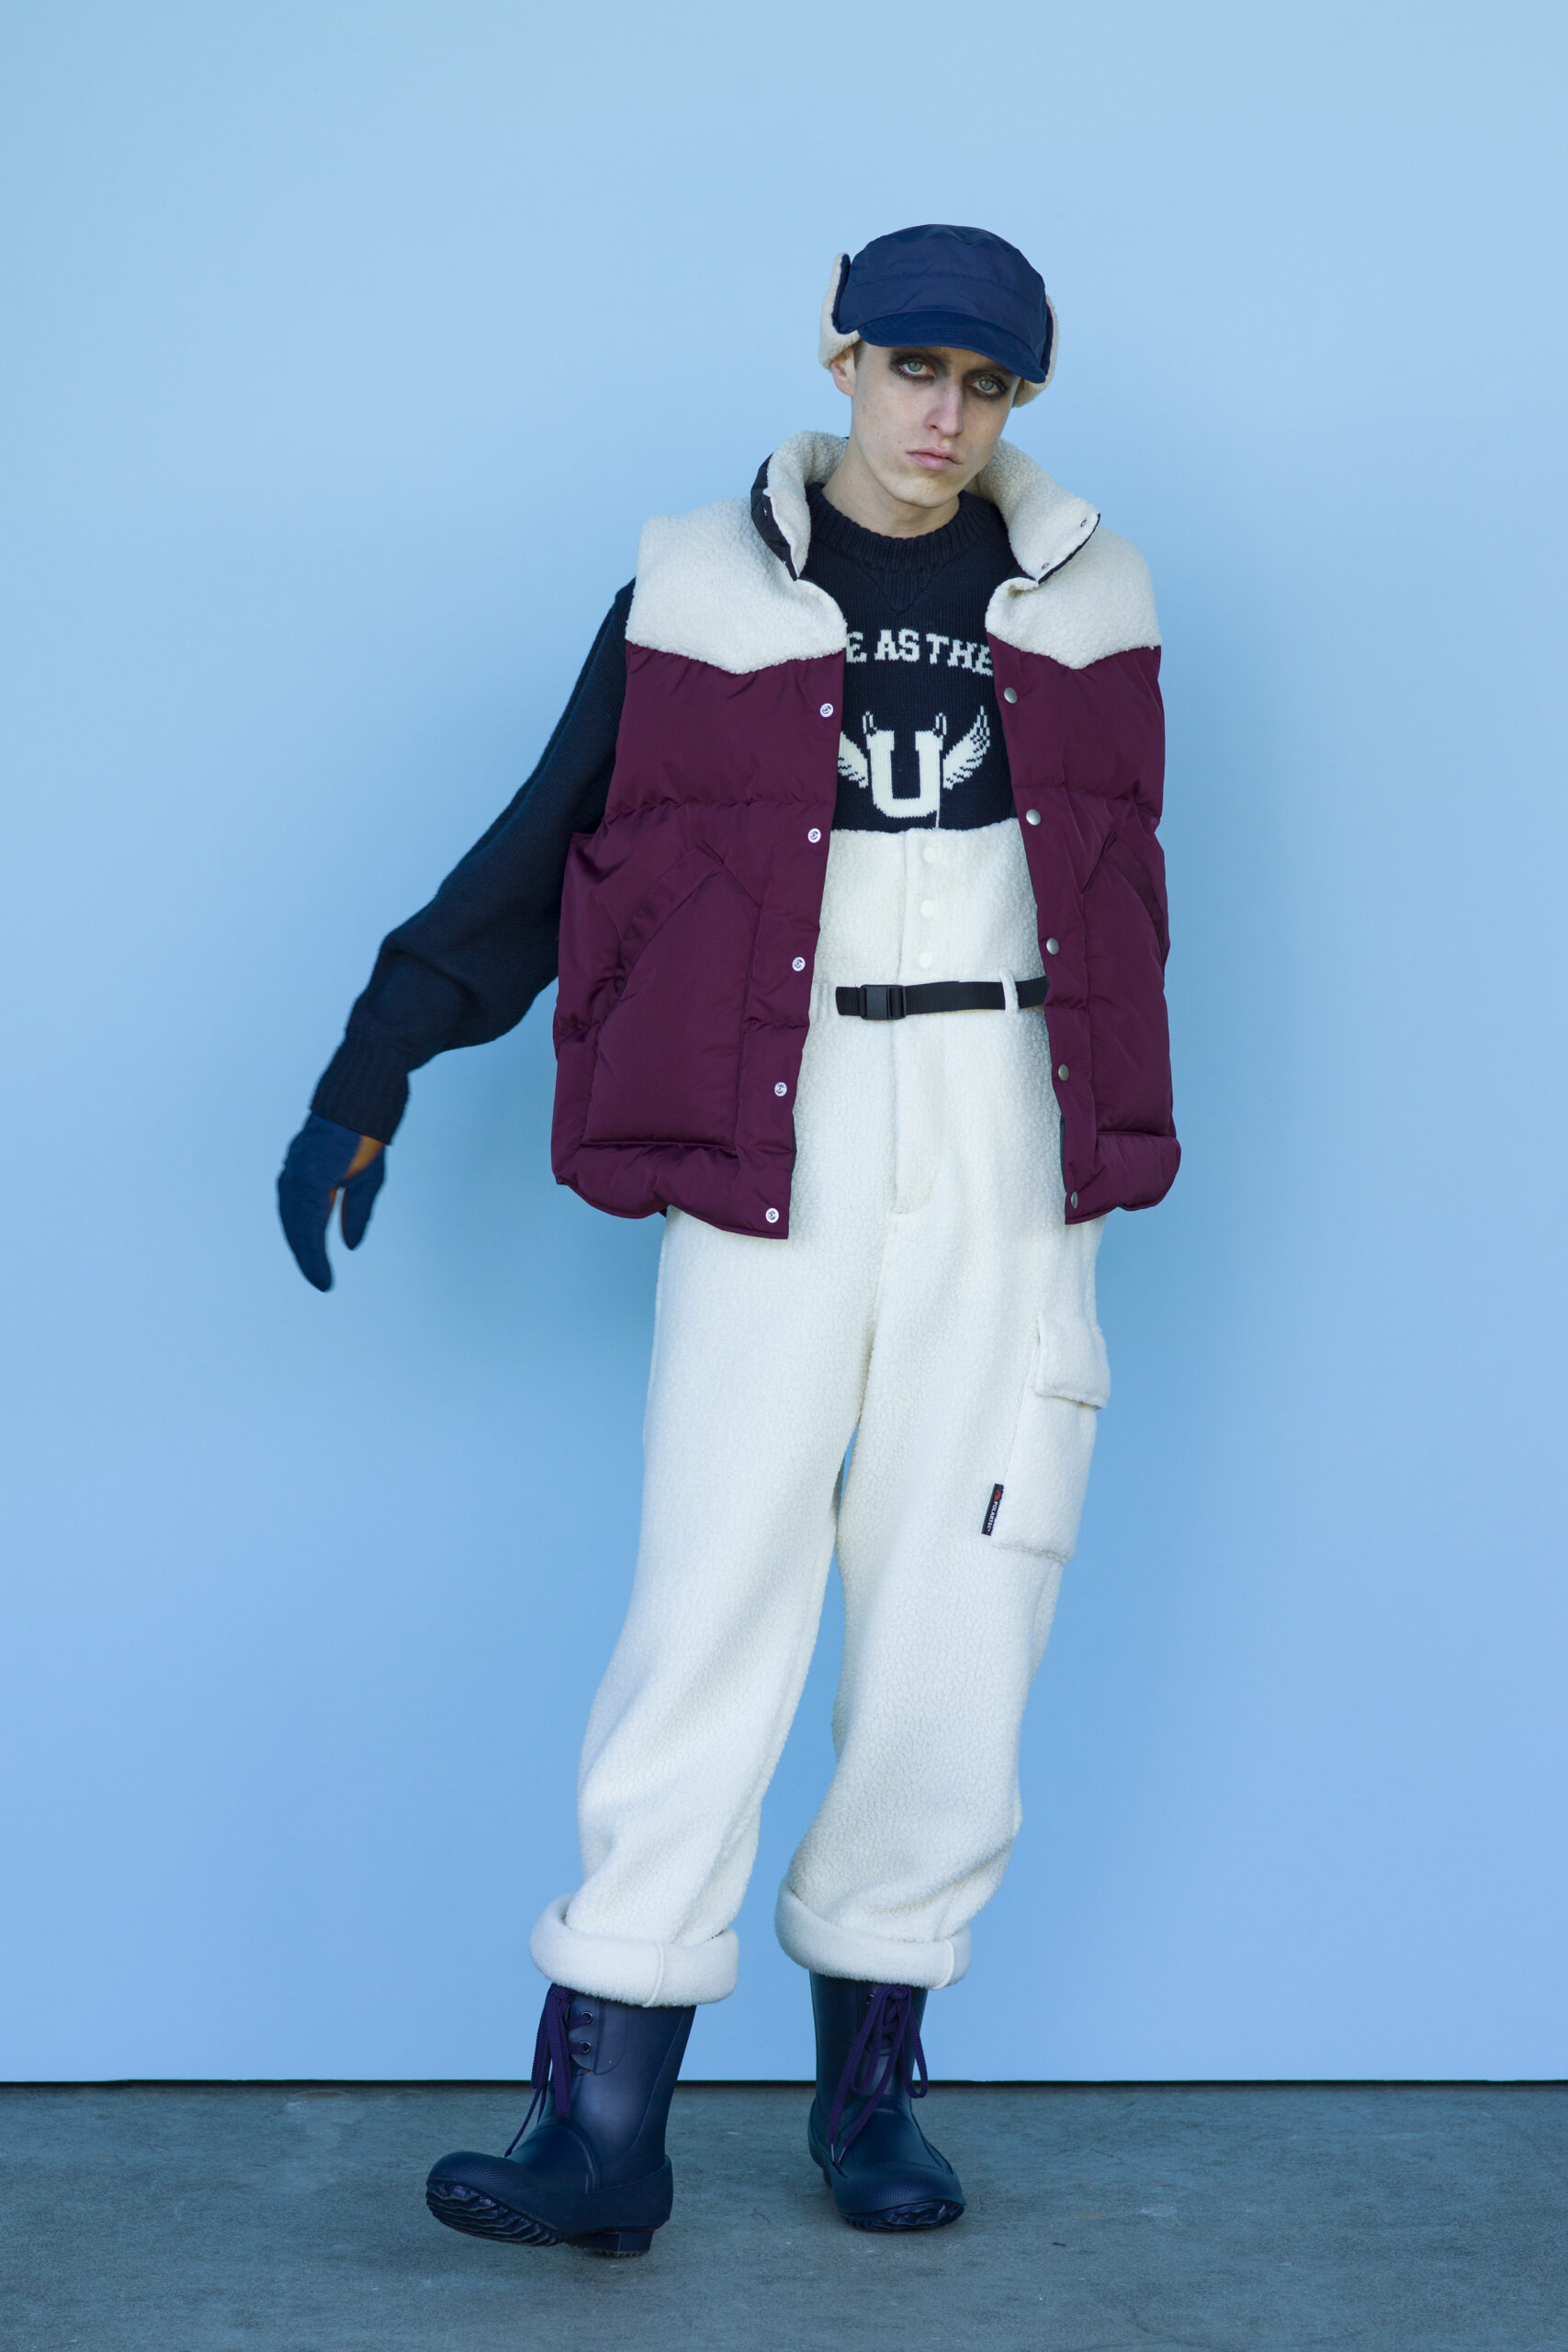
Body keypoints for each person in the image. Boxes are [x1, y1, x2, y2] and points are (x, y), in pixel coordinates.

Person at [278, 223, 1177, 2256]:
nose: (945, 416)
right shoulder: (694, 583)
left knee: (963, 1613)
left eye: (988, 386)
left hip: (1006, 1131)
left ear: (1020, 400)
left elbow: (1120, 886)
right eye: (915, 369)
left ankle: (872, 2095)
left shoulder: (1097, 593)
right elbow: (550, 839)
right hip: (781, 1122)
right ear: (841, 355)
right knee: (713, 1596)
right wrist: (375, 1061)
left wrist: (1085, 1134)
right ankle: (601, 2122)